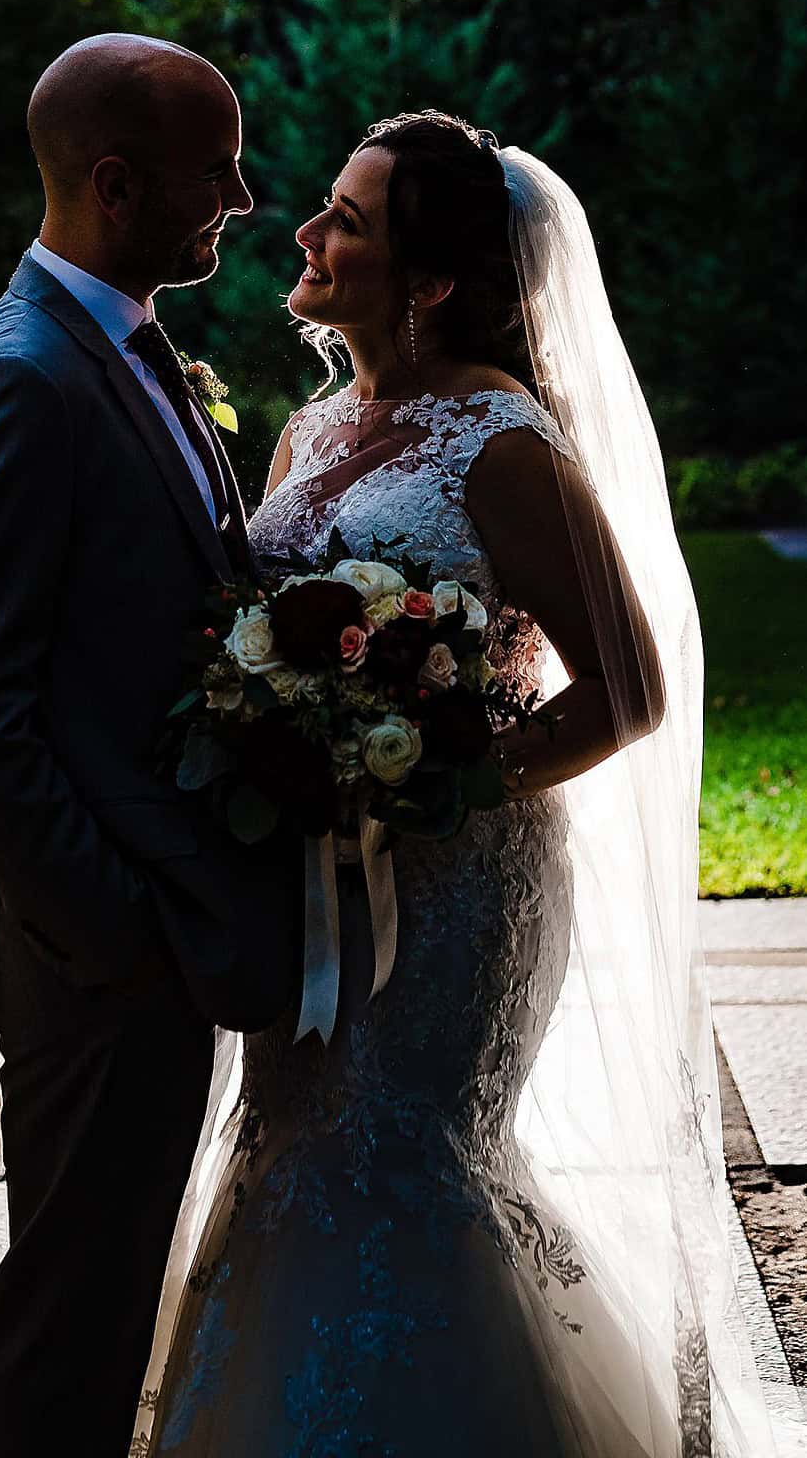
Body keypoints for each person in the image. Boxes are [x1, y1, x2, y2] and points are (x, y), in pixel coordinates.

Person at [142, 112, 782, 1455]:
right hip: (309, 878)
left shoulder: (502, 447)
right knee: (289, 1150)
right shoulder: (308, 433)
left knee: (398, 1162)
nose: (306, 234)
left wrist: (428, 784)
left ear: (431, 282)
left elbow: (629, 687)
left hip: (457, 893)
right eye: (323, 210)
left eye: (349, 222)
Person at [0, 35, 298, 1458]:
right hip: (91, 944)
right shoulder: (21, 380)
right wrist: (111, 929)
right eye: (214, 171)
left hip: (145, 921)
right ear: (115, 185)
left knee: (107, 1285)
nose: (242, 197)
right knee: (71, 1311)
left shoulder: (118, 343)